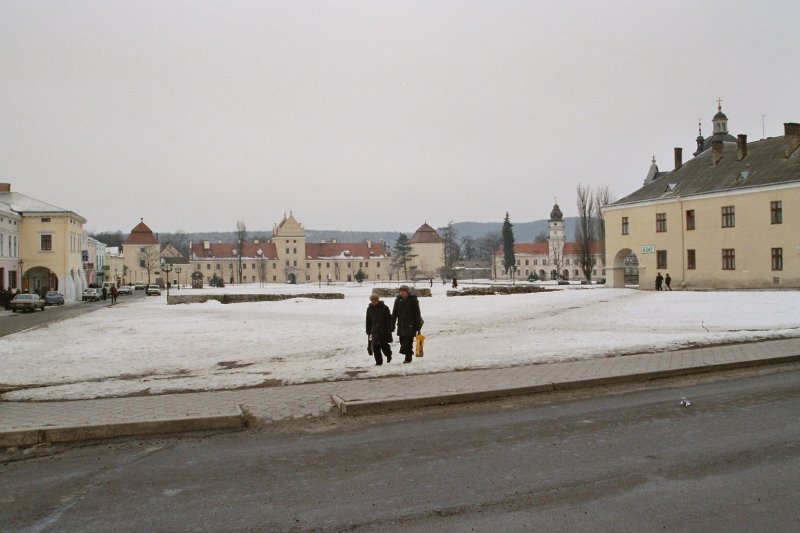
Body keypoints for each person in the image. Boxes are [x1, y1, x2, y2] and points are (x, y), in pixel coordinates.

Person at [391, 284, 423, 363]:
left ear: (407, 292)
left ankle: (408, 358)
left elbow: (417, 313)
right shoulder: (398, 300)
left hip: (411, 325)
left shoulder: (413, 299)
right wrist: (392, 324)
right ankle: (409, 353)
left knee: (408, 342)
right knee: (402, 341)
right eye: (400, 291)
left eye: (403, 291)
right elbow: (394, 313)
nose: (401, 292)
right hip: (401, 324)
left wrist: (418, 325)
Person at [365, 293, 393, 365]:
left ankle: (388, 354)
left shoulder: (385, 308)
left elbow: (389, 319)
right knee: (375, 347)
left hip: (383, 330)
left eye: (375, 300)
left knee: (384, 345)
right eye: (372, 300)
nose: (373, 301)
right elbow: (368, 320)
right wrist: (368, 330)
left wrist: (389, 328)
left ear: (378, 299)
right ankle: (378, 362)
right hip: (374, 331)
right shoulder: (369, 309)